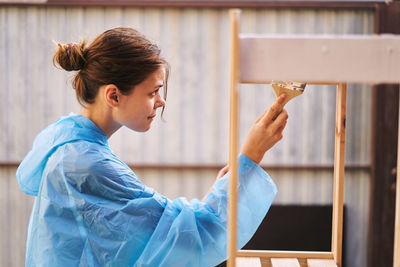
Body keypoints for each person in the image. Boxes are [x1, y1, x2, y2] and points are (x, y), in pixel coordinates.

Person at [16, 27, 288, 267]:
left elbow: (160, 234)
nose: (161, 101)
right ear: (113, 95)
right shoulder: (87, 165)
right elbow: (196, 241)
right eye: (152, 92)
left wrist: (220, 192)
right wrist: (252, 154)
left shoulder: (69, 146)